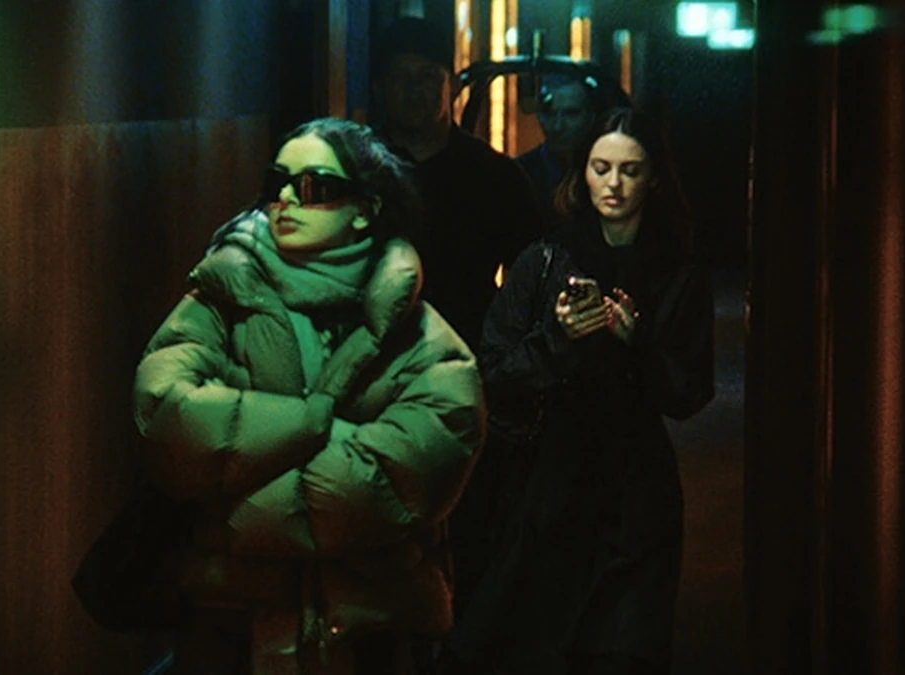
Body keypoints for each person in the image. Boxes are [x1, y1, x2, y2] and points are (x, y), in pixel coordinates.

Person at [131, 117, 487, 675]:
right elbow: (166, 419)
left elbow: (422, 460)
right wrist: (314, 422)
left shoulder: (412, 327)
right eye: (278, 182)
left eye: (315, 186)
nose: (287, 199)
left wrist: (243, 489)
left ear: (365, 209)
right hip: (231, 624)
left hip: (367, 630)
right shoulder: (220, 296)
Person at [442, 106, 715, 675]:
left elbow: (688, 393)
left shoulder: (676, 271)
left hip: (635, 492)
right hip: (549, 485)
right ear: (582, 172)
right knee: (538, 645)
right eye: (601, 167)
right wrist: (559, 338)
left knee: (624, 649)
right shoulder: (545, 261)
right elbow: (494, 370)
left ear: (653, 178)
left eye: (630, 171)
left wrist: (634, 342)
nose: (614, 184)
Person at [370, 15, 543, 352]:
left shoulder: (494, 175)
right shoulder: (359, 170)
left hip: (471, 350)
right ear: (379, 88)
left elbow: (532, 277)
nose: (414, 90)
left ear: (450, 83)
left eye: (427, 77)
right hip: (375, 352)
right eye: (400, 77)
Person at [515, 74, 630, 231]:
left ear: (591, 116)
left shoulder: (611, 172)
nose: (558, 126)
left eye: (571, 114)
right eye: (549, 113)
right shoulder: (520, 174)